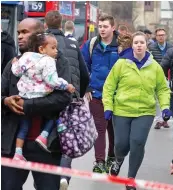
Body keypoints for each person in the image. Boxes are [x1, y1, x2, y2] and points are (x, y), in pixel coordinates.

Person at [1, 18, 71, 190]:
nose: (20, 37)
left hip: (47, 145)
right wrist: (5, 101)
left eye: (25, 32)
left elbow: (64, 98)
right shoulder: (15, 63)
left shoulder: (58, 62)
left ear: (40, 36)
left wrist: (27, 105)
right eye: (18, 32)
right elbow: (1, 92)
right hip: (13, 144)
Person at [102, 31, 171, 190]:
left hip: (144, 112)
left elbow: (162, 89)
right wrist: (108, 107)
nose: (139, 45)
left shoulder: (154, 67)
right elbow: (109, 86)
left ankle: (131, 178)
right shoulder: (121, 64)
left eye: (142, 42)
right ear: (132, 45)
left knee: (137, 143)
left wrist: (165, 107)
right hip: (122, 111)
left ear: (147, 45)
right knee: (121, 145)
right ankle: (118, 160)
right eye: (136, 42)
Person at [11, 32, 75, 161]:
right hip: (41, 95)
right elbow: (52, 80)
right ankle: (43, 136)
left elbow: (16, 72)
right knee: (54, 114)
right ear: (41, 49)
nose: (56, 51)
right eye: (53, 48)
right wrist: (66, 85)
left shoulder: (26, 56)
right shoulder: (48, 60)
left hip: (24, 96)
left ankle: (18, 153)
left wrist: (14, 63)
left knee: (24, 126)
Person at [44, 10, 90, 189]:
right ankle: (64, 175)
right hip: (70, 96)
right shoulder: (72, 43)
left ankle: (47, 176)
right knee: (67, 138)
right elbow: (85, 73)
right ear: (62, 24)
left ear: (46, 24)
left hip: (46, 98)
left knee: (47, 135)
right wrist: (80, 93)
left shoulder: (42, 43)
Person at [81, 14, 118, 174]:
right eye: (100, 26)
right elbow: (82, 66)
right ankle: (100, 161)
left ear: (113, 28)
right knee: (99, 128)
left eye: (105, 26)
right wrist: (87, 87)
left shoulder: (122, 46)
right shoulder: (91, 44)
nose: (102, 29)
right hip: (96, 94)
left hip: (117, 96)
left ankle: (111, 156)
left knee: (114, 129)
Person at [148, 28, 173, 129]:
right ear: (156, 36)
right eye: (159, 35)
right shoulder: (152, 47)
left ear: (165, 36)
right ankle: (159, 120)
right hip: (155, 77)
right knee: (157, 100)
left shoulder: (171, 47)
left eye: (163, 35)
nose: (161, 37)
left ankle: (165, 119)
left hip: (168, 76)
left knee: (166, 98)